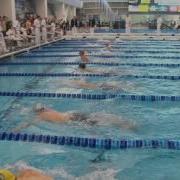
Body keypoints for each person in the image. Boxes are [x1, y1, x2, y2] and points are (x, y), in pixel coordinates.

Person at [14, 104, 137, 131]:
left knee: (97, 122)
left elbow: (26, 123)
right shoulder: (49, 110)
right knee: (100, 118)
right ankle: (124, 123)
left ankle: (125, 125)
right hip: (73, 114)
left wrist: (15, 130)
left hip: (73, 120)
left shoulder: (39, 117)